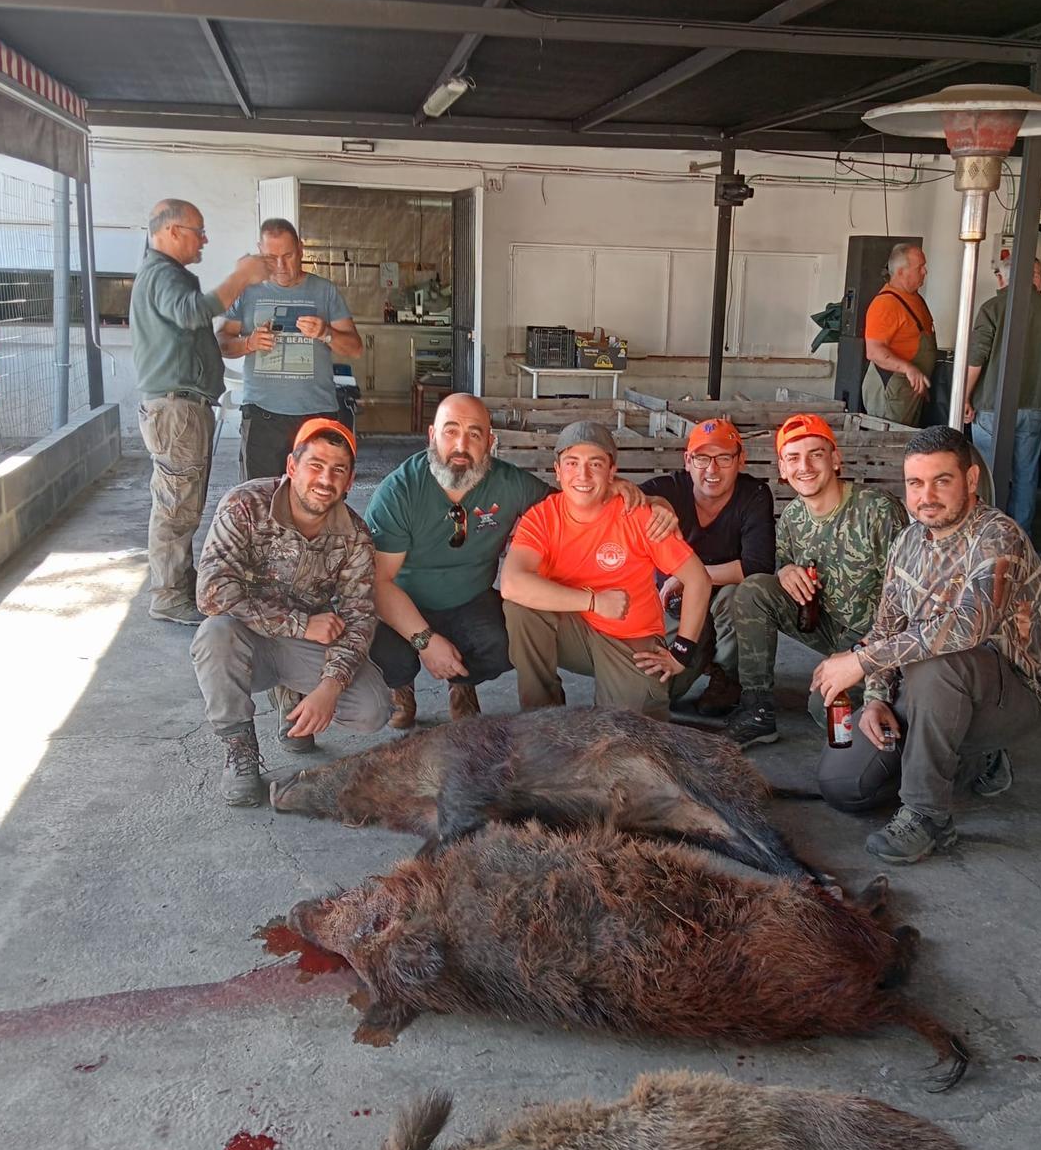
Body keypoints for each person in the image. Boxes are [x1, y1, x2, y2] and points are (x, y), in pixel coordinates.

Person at [811, 425, 1041, 866]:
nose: (926, 495)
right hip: (927, 690)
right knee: (843, 784)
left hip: (1007, 696)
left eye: (942, 480)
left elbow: (968, 626)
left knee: (937, 665)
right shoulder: (907, 541)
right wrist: (873, 697)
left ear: (971, 480)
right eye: (915, 483)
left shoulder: (998, 538)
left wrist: (861, 662)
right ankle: (957, 756)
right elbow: (888, 625)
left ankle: (928, 815)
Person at [363, 395, 673, 730]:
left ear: (491, 442)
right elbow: (380, 582)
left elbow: (571, 500)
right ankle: (401, 688)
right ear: (431, 435)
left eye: (475, 434)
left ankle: (463, 683)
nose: (461, 445)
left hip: (467, 600)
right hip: (404, 601)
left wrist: (638, 495)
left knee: (503, 639)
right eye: (450, 431)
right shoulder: (399, 491)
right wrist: (425, 641)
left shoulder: (508, 483)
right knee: (385, 652)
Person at [191, 419, 390, 805]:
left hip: (302, 649)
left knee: (373, 709)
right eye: (315, 465)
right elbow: (212, 593)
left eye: (338, 470)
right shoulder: (245, 505)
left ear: (350, 482)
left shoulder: (354, 535)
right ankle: (240, 750)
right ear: (292, 467)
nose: (325, 479)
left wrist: (328, 689)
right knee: (214, 634)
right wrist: (300, 625)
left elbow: (360, 616)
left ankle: (294, 701)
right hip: (247, 639)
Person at [501, 421, 711, 720]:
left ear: (612, 471)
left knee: (628, 738)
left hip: (630, 639)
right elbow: (511, 583)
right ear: (558, 471)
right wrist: (594, 601)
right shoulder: (543, 517)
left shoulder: (638, 514)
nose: (582, 475)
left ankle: (661, 685)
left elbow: (697, 579)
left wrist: (682, 651)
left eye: (595, 464)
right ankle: (540, 717)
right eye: (572, 463)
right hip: (573, 631)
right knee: (521, 608)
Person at [727, 413, 907, 747]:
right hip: (826, 627)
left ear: (835, 459)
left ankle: (908, 713)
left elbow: (905, 602)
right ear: (782, 469)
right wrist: (784, 570)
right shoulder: (793, 516)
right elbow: (781, 558)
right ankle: (757, 711)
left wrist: (861, 657)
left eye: (816, 454)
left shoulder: (876, 510)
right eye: (793, 458)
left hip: (878, 640)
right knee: (753, 591)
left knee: (822, 707)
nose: (804, 466)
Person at [130, 198, 270, 625]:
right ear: (172, 231)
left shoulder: (166, 275)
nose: (204, 238)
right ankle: (169, 595)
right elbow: (192, 314)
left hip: (183, 408)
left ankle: (178, 583)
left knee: (183, 503)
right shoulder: (162, 275)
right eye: (198, 230)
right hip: (176, 410)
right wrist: (241, 278)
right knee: (176, 506)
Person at [639, 418, 774, 715]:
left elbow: (758, 565)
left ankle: (727, 676)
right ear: (688, 461)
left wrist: (690, 577)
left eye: (723, 458)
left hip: (727, 600)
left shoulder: (754, 495)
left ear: (740, 461)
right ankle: (700, 654)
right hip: (679, 604)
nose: (711, 469)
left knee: (741, 595)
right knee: (658, 693)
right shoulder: (670, 488)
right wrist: (654, 501)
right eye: (702, 458)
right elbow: (623, 496)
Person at [215, 217, 363, 481]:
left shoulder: (324, 291)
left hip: (316, 415)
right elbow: (220, 343)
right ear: (260, 252)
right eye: (272, 257)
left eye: (289, 255)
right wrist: (248, 343)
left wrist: (326, 333)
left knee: (317, 500)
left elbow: (355, 348)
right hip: (262, 415)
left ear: (301, 249)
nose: (281, 266)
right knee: (259, 502)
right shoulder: (247, 292)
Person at [964, 254, 1041, 536]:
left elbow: (977, 358)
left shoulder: (992, 308)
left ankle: (986, 535)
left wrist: (964, 397)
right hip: (1036, 405)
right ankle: (1020, 537)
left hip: (991, 404)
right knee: (1027, 473)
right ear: (1035, 276)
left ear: (1003, 278)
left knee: (986, 474)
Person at [861, 243, 936, 426]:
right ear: (901, 272)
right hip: (892, 392)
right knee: (888, 448)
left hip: (908, 390)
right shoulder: (886, 304)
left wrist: (919, 378)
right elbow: (874, 351)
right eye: (920, 267)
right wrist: (909, 369)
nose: (925, 271)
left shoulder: (915, 299)